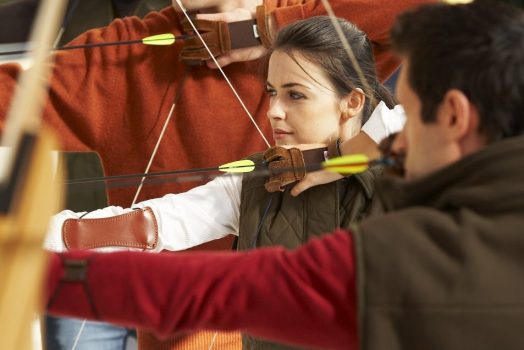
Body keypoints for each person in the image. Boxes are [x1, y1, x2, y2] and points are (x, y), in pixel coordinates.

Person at [45, 0, 524, 349]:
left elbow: (389, 128)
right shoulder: (264, 178)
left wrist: (267, 28)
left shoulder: (409, 172)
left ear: (352, 102)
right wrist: (46, 237)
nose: (273, 112)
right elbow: (156, 223)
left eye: (296, 95)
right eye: (272, 92)